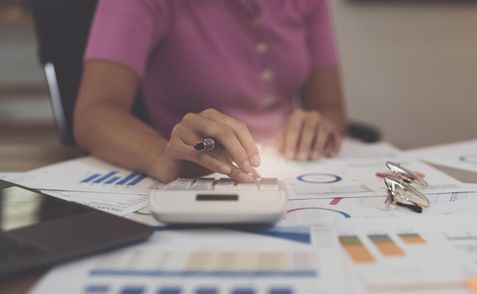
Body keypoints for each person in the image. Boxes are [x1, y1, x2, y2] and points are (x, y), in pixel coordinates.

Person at [74, 0, 347, 183]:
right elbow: (95, 112)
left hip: (295, 169)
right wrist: (160, 155)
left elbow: (329, 106)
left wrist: (318, 126)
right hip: (197, 171)